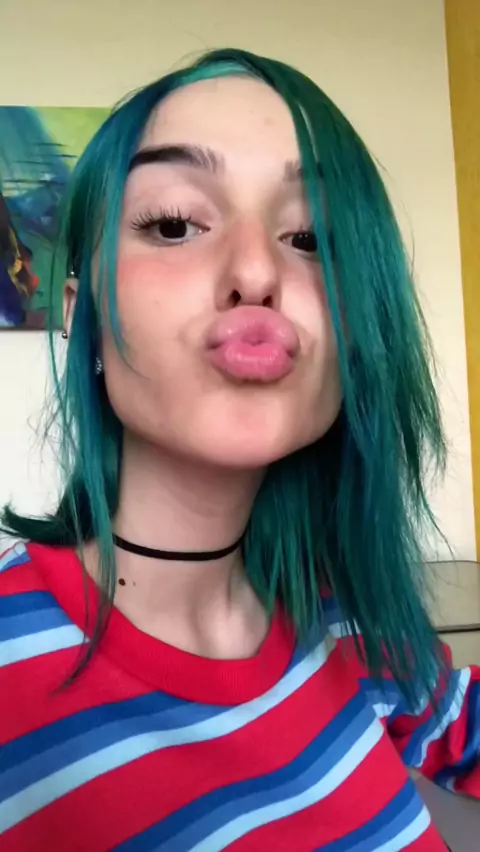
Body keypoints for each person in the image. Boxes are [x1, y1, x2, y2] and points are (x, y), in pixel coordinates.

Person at [0, 48, 477, 851]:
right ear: (83, 320)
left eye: (311, 237)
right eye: (174, 224)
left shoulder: (349, 617)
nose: (257, 272)